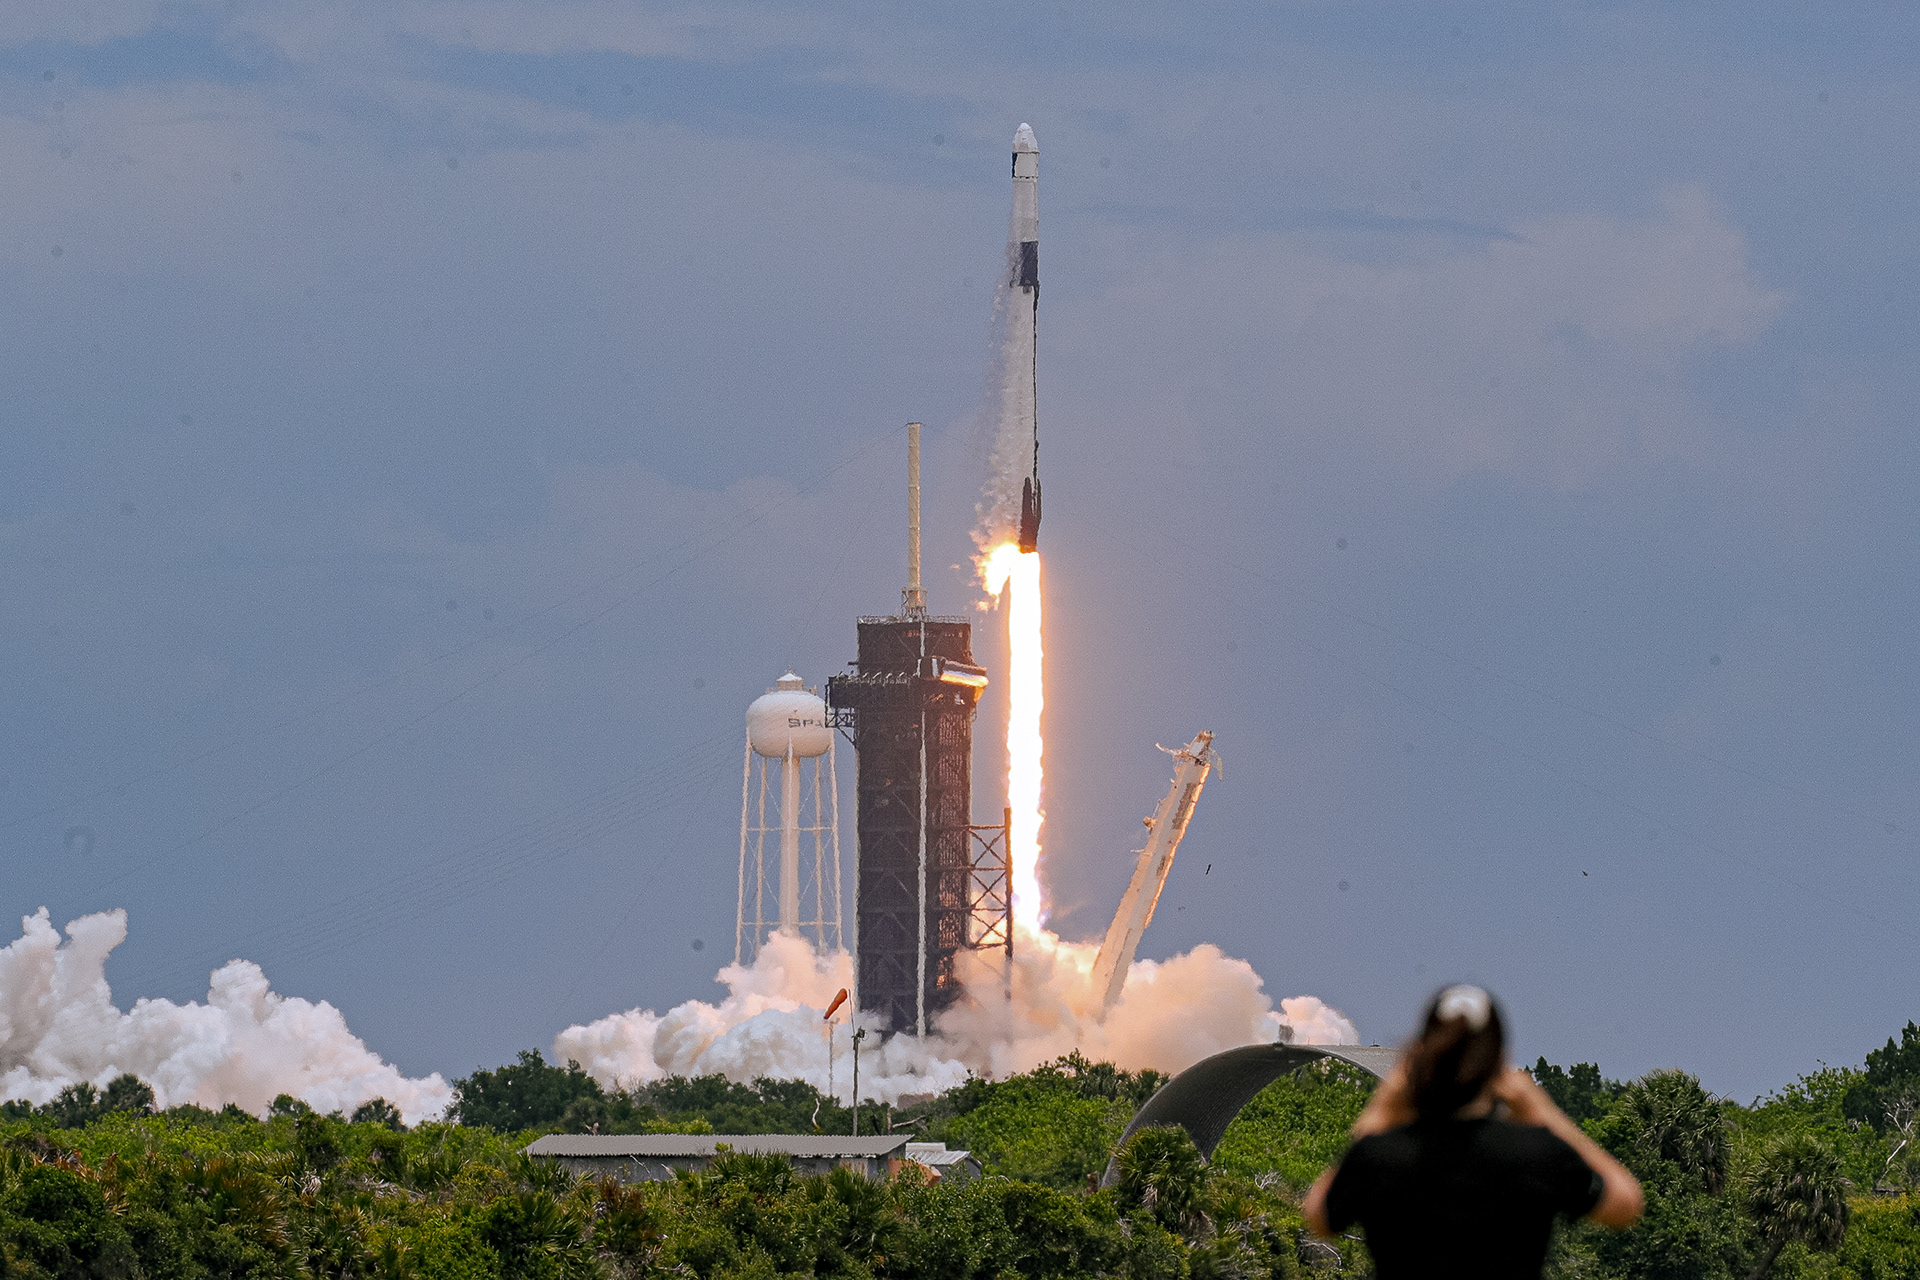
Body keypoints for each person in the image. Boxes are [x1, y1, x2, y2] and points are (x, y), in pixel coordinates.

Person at [1302, 985, 1642, 1279]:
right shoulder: (1534, 1152)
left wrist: (1380, 1114)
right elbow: (1625, 1203)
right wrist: (1545, 1114)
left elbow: (1319, 1216)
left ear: (1419, 1058)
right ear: (1499, 1063)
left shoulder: (1382, 1155)